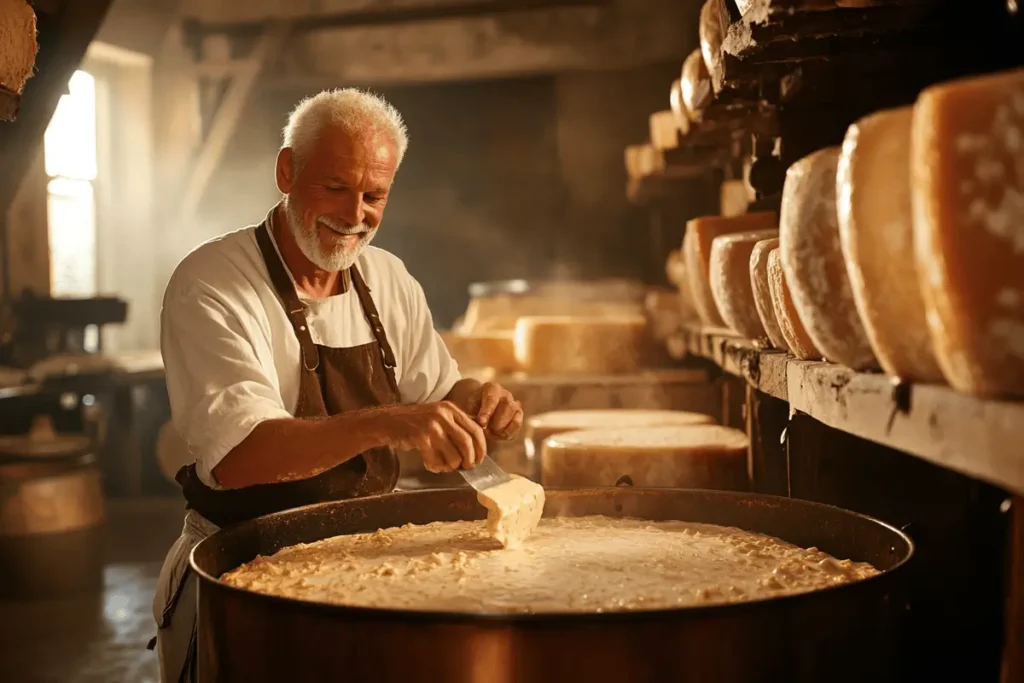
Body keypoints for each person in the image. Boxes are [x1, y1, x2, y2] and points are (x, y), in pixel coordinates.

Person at [151, 88, 523, 683]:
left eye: (374, 195)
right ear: (286, 171)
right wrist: (386, 421)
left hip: (367, 573)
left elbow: (442, 390)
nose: (355, 215)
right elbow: (242, 456)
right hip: (243, 576)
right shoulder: (213, 284)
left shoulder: (389, 277)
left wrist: (479, 401)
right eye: (335, 187)